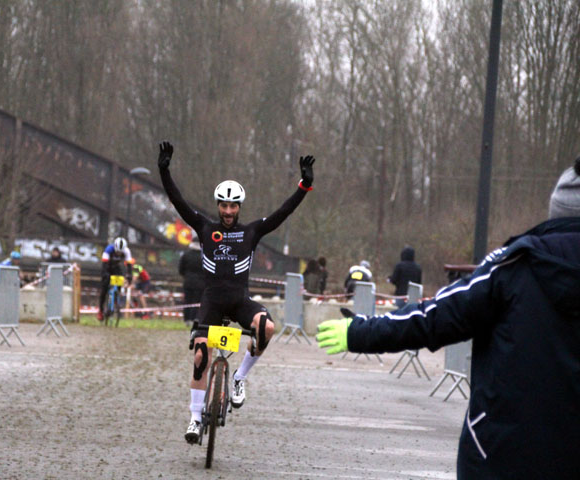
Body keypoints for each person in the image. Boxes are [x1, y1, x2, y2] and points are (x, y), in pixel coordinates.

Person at [316, 158, 580, 479]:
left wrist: (360, 331)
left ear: (557, 209)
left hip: (501, 455)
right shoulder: (511, 267)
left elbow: (434, 317)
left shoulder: (513, 267)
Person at [157, 140, 316, 443]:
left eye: (233, 206)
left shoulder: (251, 231)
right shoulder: (204, 228)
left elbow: (283, 212)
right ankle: (193, 419)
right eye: (223, 205)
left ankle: (240, 378)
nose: (228, 211)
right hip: (211, 303)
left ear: (239, 207)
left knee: (266, 328)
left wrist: (304, 186)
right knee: (202, 353)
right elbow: (177, 201)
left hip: (240, 301)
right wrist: (164, 172)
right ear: (218, 206)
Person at [96, 236, 133, 321]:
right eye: (117, 252)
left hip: (116, 268)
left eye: (120, 252)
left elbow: (129, 266)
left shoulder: (127, 251)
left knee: (120, 280)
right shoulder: (108, 249)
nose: (119, 254)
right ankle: (101, 311)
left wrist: (129, 276)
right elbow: (104, 265)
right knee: (104, 288)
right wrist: (105, 275)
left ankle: (116, 299)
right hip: (107, 267)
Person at [178, 242, 204, 328]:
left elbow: (181, 269)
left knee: (187, 301)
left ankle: (186, 319)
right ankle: (194, 319)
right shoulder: (203, 256)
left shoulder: (186, 255)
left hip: (188, 281)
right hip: (200, 282)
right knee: (196, 302)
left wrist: (186, 276)